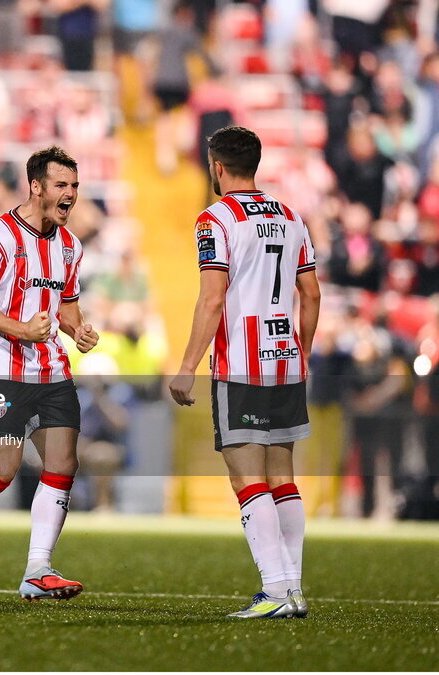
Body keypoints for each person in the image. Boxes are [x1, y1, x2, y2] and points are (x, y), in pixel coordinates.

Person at [168, 126, 321, 619]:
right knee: (283, 476)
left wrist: (187, 366)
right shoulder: (292, 216)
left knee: (246, 477)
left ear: (216, 167)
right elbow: (311, 293)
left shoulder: (216, 220)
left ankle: (275, 590)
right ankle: (293, 589)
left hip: (242, 364)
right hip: (286, 358)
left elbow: (213, 298)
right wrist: (305, 353)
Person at [0, 146, 98, 604]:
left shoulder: (70, 245)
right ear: (36, 186)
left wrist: (78, 330)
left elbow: (66, 305)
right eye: (61, 186)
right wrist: (20, 329)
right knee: (4, 468)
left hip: (51, 370)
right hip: (0, 371)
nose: (70, 194)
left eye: (74, 186)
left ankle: (38, 569)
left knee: (63, 465)